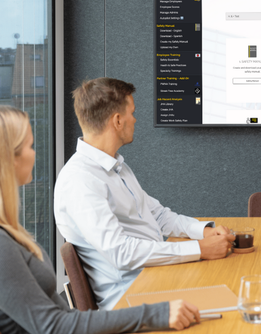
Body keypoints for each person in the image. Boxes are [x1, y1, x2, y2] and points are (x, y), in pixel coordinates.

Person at [0, 104, 199, 333]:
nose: (34, 153)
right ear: (7, 159)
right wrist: (152, 315)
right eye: (30, 146)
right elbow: (55, 327)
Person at [54, 77, 235, 310]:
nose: (135, 119)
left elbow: (158, 215)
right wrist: (199, 250)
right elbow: (121, 253)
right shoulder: (80, 180)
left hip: (155, 278)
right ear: (117, 121)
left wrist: (203, 232)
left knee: (233, 286)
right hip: (132, 298)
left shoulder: (116, 166)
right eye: (132, 112)